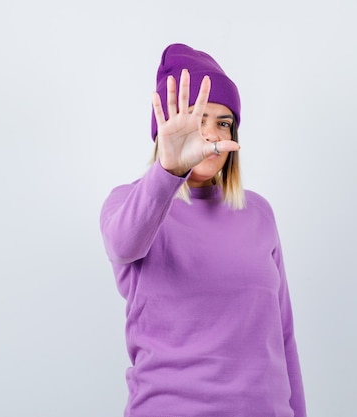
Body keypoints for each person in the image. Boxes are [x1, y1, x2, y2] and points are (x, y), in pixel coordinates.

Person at [100, 43, 307, 417]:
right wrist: (170, 170)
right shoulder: (130, 204)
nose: (211, 135)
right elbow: (122, 245)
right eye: (199, 119)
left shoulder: (259, 212)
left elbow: (284, 336)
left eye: (223, 122)